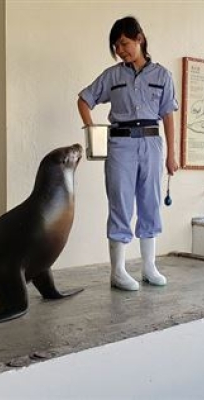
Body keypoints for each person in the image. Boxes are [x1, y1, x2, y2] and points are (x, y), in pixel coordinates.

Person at [77, 16, 179, 291]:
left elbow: (168, 116)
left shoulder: (162, 76)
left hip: (151, 143)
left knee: (150, 202)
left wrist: (171, 155)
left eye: (124, 43)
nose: (120, 50)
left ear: (139, 38)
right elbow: (84, 99)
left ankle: (149, 267)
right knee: (120, 203)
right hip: (120, 144)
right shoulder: (112, 75)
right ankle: (118, 271)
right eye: (116, 46)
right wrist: (92, 130)